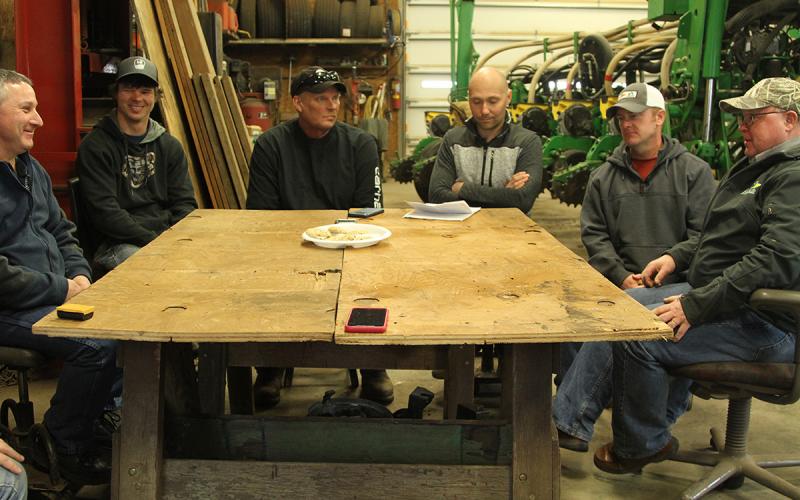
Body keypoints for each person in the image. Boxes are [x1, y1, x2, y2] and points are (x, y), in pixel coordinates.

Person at [571, 77, 800, 474]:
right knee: (620, 312)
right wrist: (675, 258)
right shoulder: (760, 169)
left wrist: (695, 305)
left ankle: (642, 444)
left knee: (639, 338)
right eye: (741, 119)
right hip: (733, 302)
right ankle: (572, 420)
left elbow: (776, 258)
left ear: (790, 121)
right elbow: (724, 238)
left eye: (752, 118)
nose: (742, 127)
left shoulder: (792, 177)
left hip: (766, 325)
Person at [553, 83, 715, 411]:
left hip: (675, 286)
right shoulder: (603, 177)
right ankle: (586, 399)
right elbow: (595, 235)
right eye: (622, 117)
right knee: (567, 315)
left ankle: (655, 411)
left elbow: (705, 236)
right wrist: (621, 275)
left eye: (635, 116)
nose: (626, 124)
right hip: (619, 282)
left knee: (661, 323)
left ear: (659, 118)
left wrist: (672, 261)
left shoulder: (693, 173)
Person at [247, 66, 390, 409]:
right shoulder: (271, 146)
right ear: (297, 102)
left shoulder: (361, 145)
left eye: (335, 98)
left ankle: (373, 362)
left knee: (378, 266)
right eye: (320, 98)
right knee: (258, 271)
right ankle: (271, 364)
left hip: (350, 244)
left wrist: (341, 238)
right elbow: (260, 216)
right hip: (289, 246)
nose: (332, 105)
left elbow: (369, 212)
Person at [0, 69, 117, 484]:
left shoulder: (30, 167)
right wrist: (62, 287)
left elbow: (61, 231)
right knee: (96, 344)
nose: (39, 120)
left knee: (131, 325)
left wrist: (80, 274)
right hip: (10, 307)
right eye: (26, 109)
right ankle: (63, 445)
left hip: (54, 293)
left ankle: (96, 419)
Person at [77, 56, 197, 274]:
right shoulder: (95, 147)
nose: (137, 98)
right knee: (152, 268)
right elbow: (106, 214)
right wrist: (154, 243)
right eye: (129, 89)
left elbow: (184, 205)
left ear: (155, 97)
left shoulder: (169, 147)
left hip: (164, 239)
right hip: (116, 244)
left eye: (145, 91)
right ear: (115, 93)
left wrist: (177, 240)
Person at [428, 67, 543, 214]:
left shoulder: (527, 142)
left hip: (511, 233)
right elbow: (437, 196)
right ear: (468, 100)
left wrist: (462, 188)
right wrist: (503, 195)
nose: (484, 111)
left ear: (508, 98)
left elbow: (522, 200)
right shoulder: (452, 140)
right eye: (476, 102)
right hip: (460, 233)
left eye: (493, 101)